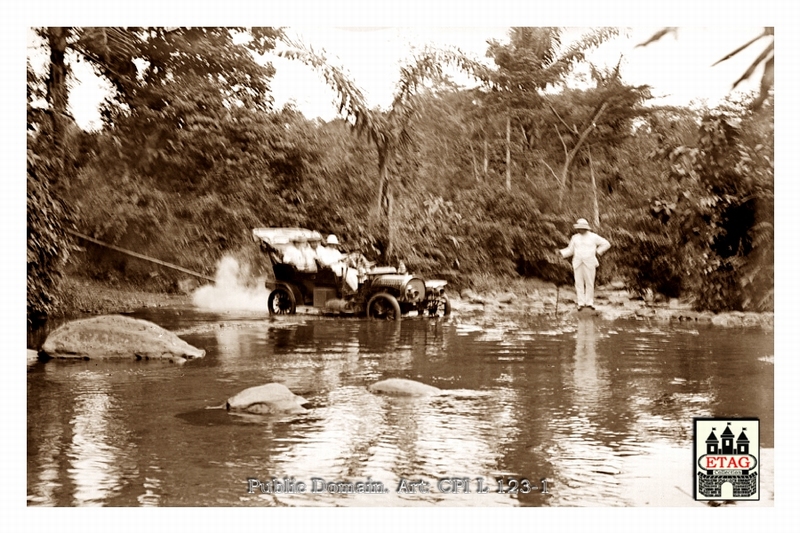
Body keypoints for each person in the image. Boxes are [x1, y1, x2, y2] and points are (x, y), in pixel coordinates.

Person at [559, 218, 611, 310]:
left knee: (589, 283)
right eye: (578, 228)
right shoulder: (575, 238)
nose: (579, 230)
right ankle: (581, 303)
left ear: (586, 228)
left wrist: (598, 252)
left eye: (581, 228)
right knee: (578, 283)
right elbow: (570, 250)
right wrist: (561, 253)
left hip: (590, 262)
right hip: (578, 262)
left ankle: (589, 302)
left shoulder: (594, 237)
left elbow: (606, 243)